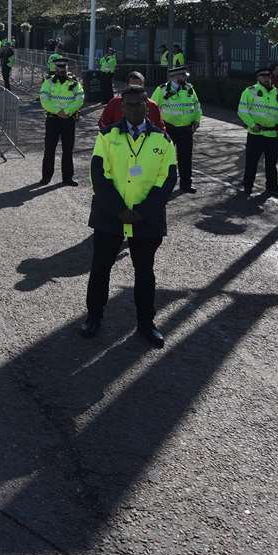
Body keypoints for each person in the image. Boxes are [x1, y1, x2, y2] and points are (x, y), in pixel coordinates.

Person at [83, 87, 178, 347]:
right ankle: (94, 316)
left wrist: (142, 211)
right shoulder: (106, 136)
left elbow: (167, 178)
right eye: (129, 105)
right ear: (121, 108)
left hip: (146, 219)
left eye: (139, 105)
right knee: (101, 268)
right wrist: (120, 210)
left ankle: (146, 323)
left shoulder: (163, 140)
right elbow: (99, 175)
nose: (134, 109)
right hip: (110, 216)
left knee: (145, 272)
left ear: (148, 108)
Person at [238, 67, 278, 194]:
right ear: (258, 78)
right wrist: (251, 124)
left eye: (268, 76)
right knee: (252, 161)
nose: (266, 78)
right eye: (263, 76)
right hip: (256, 133)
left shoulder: (277, 93)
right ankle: (248, 185)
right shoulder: (250, 91)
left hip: (272, 134)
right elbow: (242, 111)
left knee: (271, 162)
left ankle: (272, 185)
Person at [152, 65, 201, 193]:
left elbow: (196, 105)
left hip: (186, 129)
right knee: (164, 158)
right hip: (168, 128)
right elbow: (152, 108)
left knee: (186, 157)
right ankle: (162, 184)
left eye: (185, 76)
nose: (185, 78)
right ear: (175, 76)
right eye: (183, 75)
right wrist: (156, 127)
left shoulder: (189, 88)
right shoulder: (161, 90)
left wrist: (197, 120)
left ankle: (186, 184)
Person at [39, 56, 86, 185]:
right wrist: (58, 111)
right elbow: (44, 100)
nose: (62, 70)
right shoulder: (48, 83)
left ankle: (67, 178)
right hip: (53, 120)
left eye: (64, 68)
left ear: (67, 68)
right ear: (55, 68)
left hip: (68, 120)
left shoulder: (75, 83)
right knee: (49, 149)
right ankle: (46, 177)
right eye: (59, 68)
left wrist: (67, 112)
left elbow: (80, 99)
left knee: (68, 149)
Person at [98, 71, 162, 132]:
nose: (135, 90)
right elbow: (103, 123)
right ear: (127, 86)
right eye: (132, 87)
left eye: (139, 86)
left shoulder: (152, 105)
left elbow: (160, 128)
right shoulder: (115, 103)